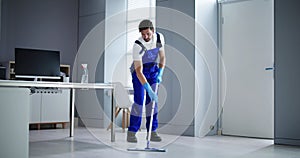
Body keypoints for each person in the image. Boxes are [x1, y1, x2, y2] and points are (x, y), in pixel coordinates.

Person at [127, 19, 166, 143]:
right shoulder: (137, 45)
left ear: (153, 31)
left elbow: (162, 56)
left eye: (148, 34)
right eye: (143, 34)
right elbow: (139, 71)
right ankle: (132, 132)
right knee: (139, 100)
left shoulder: (159, 38)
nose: (146, 37)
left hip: (153, 71)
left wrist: (160, 72)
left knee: (152, 103)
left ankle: (152, 131)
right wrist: (148, 88)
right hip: (139, 72)